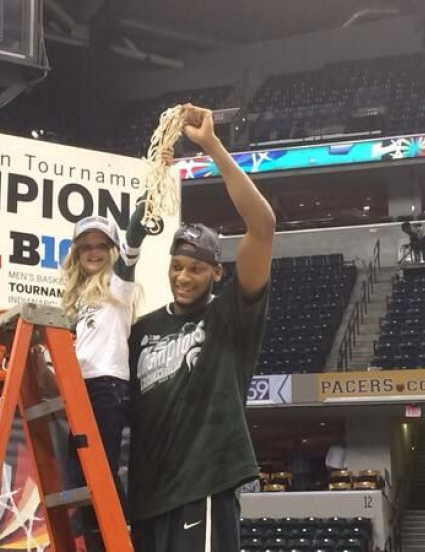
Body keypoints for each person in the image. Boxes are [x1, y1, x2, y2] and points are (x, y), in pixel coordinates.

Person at [127, 104, 276, 552]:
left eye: (195, 268)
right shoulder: (143, 328)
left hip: (203, 487)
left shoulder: (229, 315)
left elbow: (264, 225)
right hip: (147, 496)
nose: (183, 277)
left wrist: (211, 144)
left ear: (216, 273)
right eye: (176, 267)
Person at [60, 179, 163, 550]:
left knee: (97, 471)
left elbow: (134, 242)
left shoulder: (120, 285)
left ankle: (122, 538)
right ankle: (101, 540)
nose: (93, 251)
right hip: (78, 389)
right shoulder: (78, 299)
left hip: (106, 386)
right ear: (75, 252)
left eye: (100, 245)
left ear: (111, 249)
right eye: (85, 246)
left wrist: (144, 205)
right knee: (78, 476)